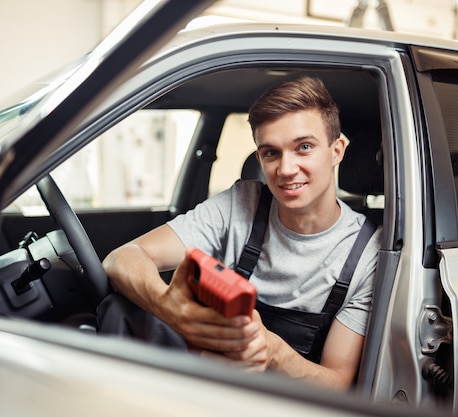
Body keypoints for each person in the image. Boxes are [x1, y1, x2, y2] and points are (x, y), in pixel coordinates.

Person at [98, 76, 381, 391]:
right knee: (122, 309)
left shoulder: (368, 250)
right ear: (259, 158)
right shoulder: (242, 203)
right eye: (271, 153)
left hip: (285, 401)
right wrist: (173, 311)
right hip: (208, 382)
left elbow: (337, 382)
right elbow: (121, 258)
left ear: (336, 150)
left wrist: (271, 352)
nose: (286, 169)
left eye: (304, 147)